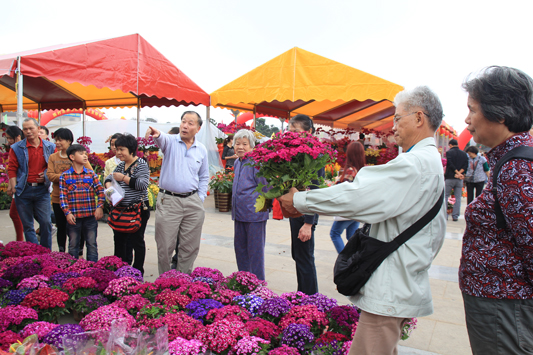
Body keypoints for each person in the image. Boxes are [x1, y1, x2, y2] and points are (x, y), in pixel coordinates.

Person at [279, 86, 446, 355]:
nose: (393, 126)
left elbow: (358, 196)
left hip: (391, 284)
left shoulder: (416, 163)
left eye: (397, 118)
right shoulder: (428, 160)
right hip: (401, 278)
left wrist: (301, 201)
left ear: (418, 118)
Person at [459, 66, 533, 355]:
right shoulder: (508, 160)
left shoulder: (517, 168)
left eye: (472, 110)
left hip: (504, 309)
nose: (467, 120)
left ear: (499, 113)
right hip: (499, 306)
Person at [145, 111, 209, 275]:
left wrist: (200, 197)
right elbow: (161, 138)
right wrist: (156, 133)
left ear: (198, 128)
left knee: (190, 246)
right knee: (165, 245)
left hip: (193, 202)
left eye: (190, 123)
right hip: (169, 201)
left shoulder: (201, 149)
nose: (185, 126)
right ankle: (165, 283)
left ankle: (183, 282)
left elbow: (204, 176)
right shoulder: (171, 141)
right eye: (183, 121)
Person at [287, 114, 325, 295]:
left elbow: (315, 191)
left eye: (296, 131)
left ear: (308, 132)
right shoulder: (296, 153)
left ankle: (311, 300)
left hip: (306, 215)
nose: (291, 135)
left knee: (305, 258)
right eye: (289, 131)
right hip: (296, 212)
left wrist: (309, 223)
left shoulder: (315, 155)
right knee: (299, 256)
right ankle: (302, 294)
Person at [104, 134, 150, 274]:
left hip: (138, 209)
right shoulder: (121, 165)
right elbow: (109, 177)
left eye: (121, 149)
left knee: (137, 241)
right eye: (117, 149)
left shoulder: (141, 164)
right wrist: (108, 185)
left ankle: (137, 271)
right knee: (119, 240)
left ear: (131, 149)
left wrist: (124, 178)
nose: (118, 152)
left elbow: (143, 184)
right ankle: (120, 269)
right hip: (121, 210)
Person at [7, 118, 56, 248]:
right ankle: (35, 253)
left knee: (46, 222)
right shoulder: (16, 147)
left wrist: (46, 176)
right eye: (25, 129)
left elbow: (54, 167)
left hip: (42, 191)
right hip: (23, 190)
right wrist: (12, 186)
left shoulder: (50, 147)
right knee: (28, 225)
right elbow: (11, 168)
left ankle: (46, 252)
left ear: (38, 129)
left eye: (31, 128)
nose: (28, 131)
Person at [231, 129, 269, 280]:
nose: (240, 147)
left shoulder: (257, 163)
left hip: (255, 215)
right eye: (237, 144)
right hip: (239, 213)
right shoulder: (237, 162)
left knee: (255, 252)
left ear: (252, 146)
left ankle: (258, 285)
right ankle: (244, 281)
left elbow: (266, 188)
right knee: (240, 249)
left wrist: (261, 212)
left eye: (244, 144)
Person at [47, 128, 93, 253]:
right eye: (56, 140)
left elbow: (90, 173)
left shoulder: (77, 155)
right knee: (61, 227)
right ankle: (62, 252)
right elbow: (50, 175)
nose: (57, 143)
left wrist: (64, 178)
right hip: (58, 199)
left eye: (60, 140)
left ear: (69, 141)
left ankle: (79, 252)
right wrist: (68, 177)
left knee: (78, 228)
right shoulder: (53, 157)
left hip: (77, 200)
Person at [59, 144, 104, 261]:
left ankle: (93, 269)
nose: (85, 156)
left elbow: (100, 191)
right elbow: (63, 197)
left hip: (90, 217)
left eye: (85, 154)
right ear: (72, 157)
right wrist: (67, 213)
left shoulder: (91, 174)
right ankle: (72, 269)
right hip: (74, 218)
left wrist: (100, 207)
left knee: (92, 244)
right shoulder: (65, 176)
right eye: (81, 154)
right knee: (73, 245)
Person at [329, 141, 365, 253]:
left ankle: (344, 261)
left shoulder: (350, 170)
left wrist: (336, 184)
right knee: (351, 237)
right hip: (357, 208)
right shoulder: (362, 170)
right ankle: (354, 261)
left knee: (334, 234)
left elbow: (345, 189)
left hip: (348, 209)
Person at [5, 126, 25, 241]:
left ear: (17, 137)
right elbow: (12, 169)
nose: (8, 141)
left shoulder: (21, 149)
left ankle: (20, 240)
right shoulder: (14, 149)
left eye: (9, 138)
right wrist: (10, 185)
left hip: (22, 186)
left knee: (15, 214)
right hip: (17, 184)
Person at [444, 139, 468, 221]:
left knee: (445, 196)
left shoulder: (449, 153)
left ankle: (445, 215)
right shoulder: (464, 154)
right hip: (459, 179)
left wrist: (456, 172)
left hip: (450, 177)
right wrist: (460, 173)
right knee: (458, 198)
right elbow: (466, 165)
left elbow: (450, 164)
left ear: (450, 145)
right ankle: (455, 216)